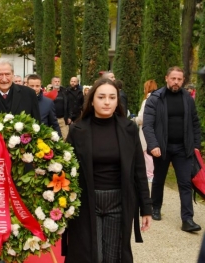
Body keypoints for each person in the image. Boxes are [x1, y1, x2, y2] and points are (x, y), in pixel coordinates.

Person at [64, 78, 152, 263]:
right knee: (91, 255)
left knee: (113, 256)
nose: (107, 102)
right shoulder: (77, 130)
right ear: (92, 99)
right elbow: (65, 170)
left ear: (117, 101)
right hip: (87, 201)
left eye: (112, 97)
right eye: (101, 97)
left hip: (119, 201)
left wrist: (146, 208)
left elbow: (139, 170)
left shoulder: (129, 129)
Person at [143, 66, 202, 232]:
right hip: (162, 148)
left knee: (185, 183)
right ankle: (155, 207)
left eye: (179, 79)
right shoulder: (155, 98)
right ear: (166, 78)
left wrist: (195, 146)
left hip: (183, 149)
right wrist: (153, 145)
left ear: (183, 81)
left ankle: (187, 220)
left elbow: (195, 124)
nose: (176, 82)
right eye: (173, 79)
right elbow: (148, 125)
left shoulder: (188, 99)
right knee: (159, 179)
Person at [133, 79, 157, 182]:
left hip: (146, 130)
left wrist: (134, 120)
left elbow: (142, 118)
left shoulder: (147, 101)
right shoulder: (158, 99)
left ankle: (149, 174)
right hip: (155, 129)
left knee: (147, 152)